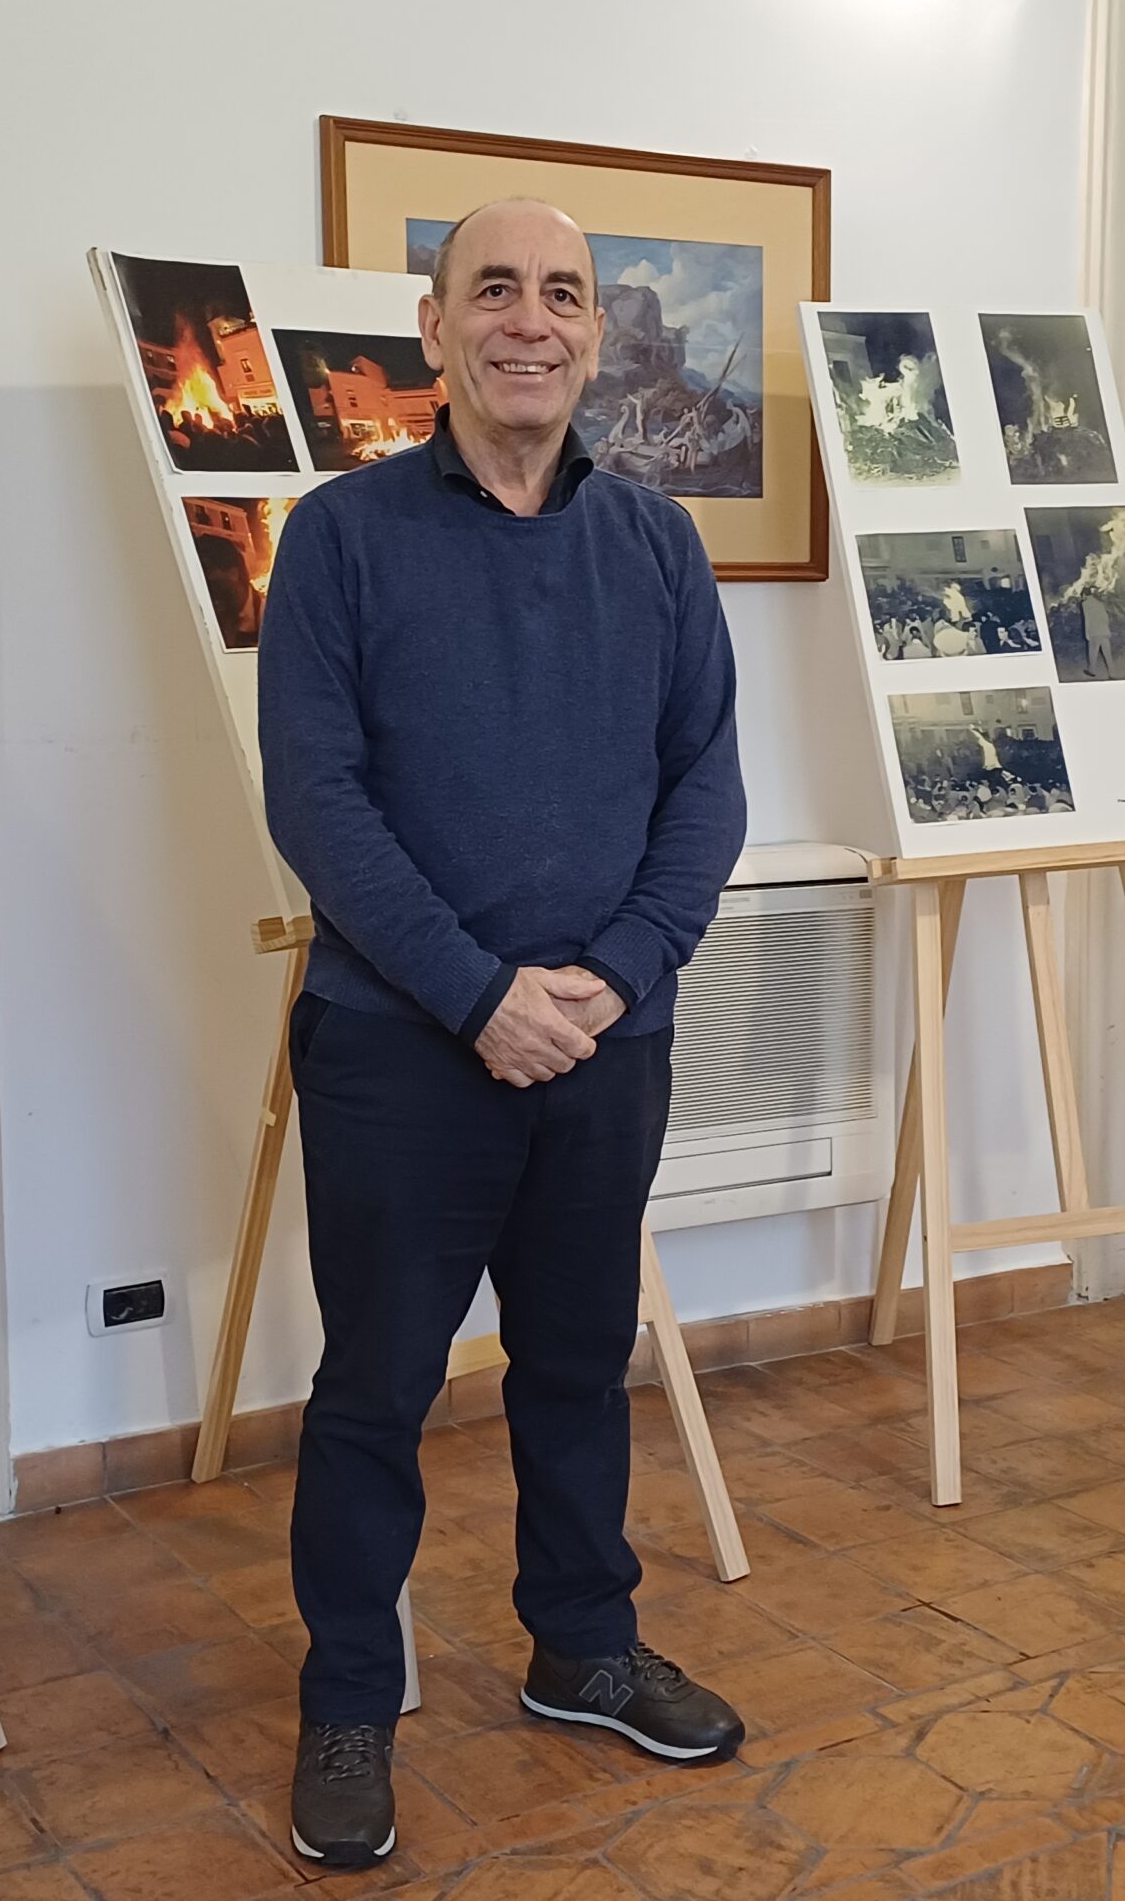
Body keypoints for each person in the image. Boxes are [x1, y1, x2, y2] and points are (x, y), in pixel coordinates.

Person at [259, 196, 748, 1870]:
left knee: (572, 1364)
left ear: (596, 336)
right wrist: (477, 994)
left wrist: (611, 977)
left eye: (563, 296)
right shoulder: (338, 537)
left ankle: (582, 1647)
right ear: (435, 327)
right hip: (403, 1048)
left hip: (609, 1040)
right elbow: (316, 804)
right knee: (376, 1388)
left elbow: (707, 790)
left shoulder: (658, 549)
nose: (530, 322)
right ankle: (346, 1698)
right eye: (496, 293)